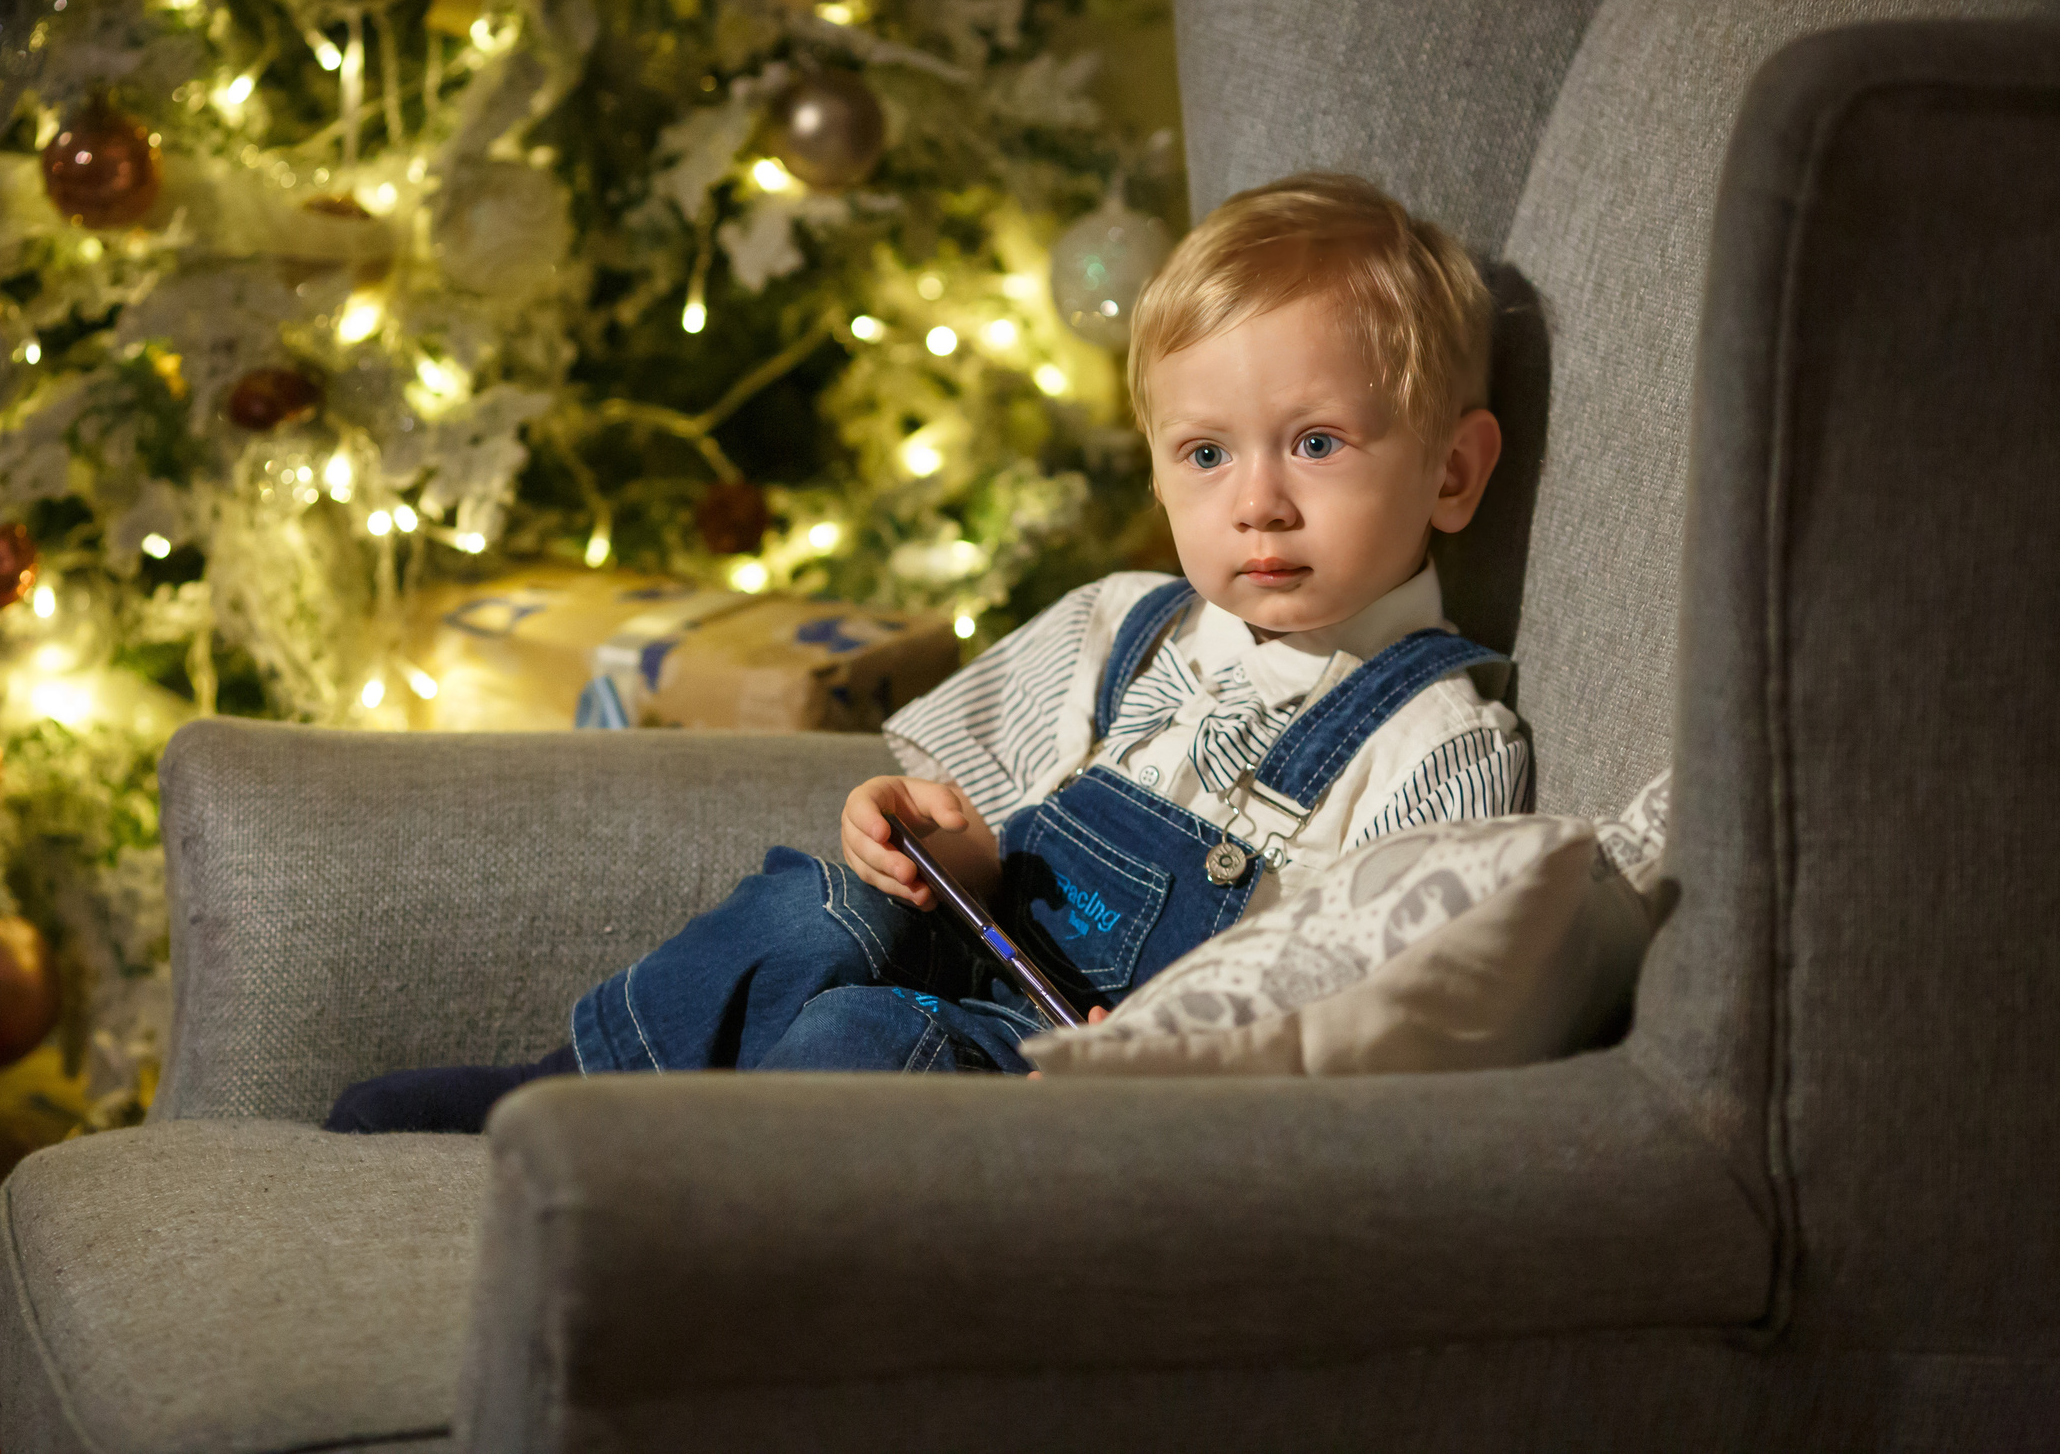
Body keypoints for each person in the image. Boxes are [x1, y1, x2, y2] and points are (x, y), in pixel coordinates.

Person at [327, 171, 1526, 1132]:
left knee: (860, 1041)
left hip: (1093, 1092)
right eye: (1206, 454)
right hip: (962, 971)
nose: (1255, 502)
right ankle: (579, 1088)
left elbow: (1387, 996)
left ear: (1453, 472)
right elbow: (990, 850)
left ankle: (708, 1201)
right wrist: (933, 843)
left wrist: (1201, 1059)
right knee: (820, 911)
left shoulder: (1434, 735)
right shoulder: (1125, 625)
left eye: (1315, 443)